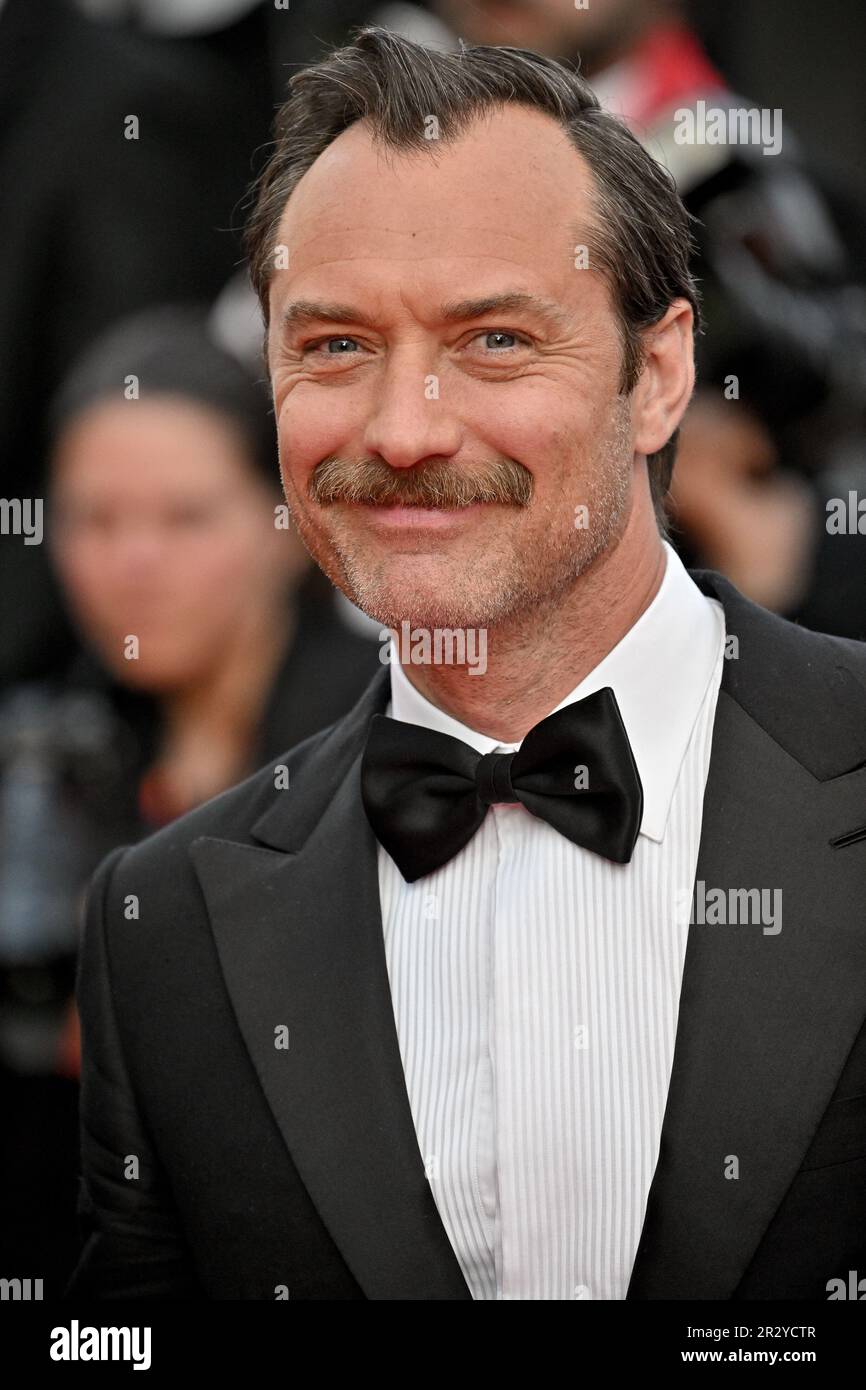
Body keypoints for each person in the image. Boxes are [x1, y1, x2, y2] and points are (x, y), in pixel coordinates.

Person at [65, 27, 866, 1301]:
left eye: (492, 340)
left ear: (655, 372)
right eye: (332, 345)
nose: (401, 429)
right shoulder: (166, 930)